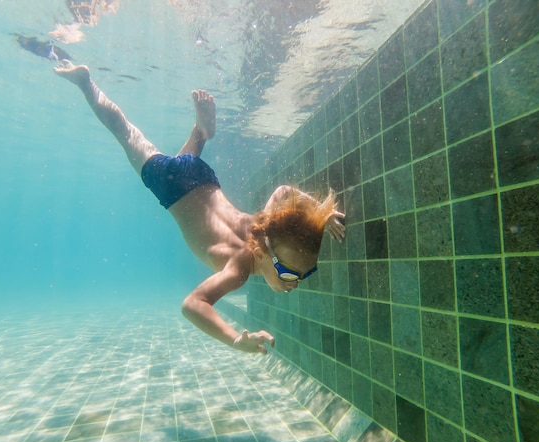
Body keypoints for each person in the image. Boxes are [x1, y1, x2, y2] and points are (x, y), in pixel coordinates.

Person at [54, 60, 346, 354]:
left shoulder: (265, 223)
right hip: (169, 185)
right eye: (290, 274)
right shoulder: (239, 269)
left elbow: (284, 191)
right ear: (261, 252)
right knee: (125, 132)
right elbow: (192, 305)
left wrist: (322, 211)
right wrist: (234, 339)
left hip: (201, 174)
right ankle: (85, 82)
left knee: (181, 159)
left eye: (304, 275)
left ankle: (201, 132)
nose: (295, 284)